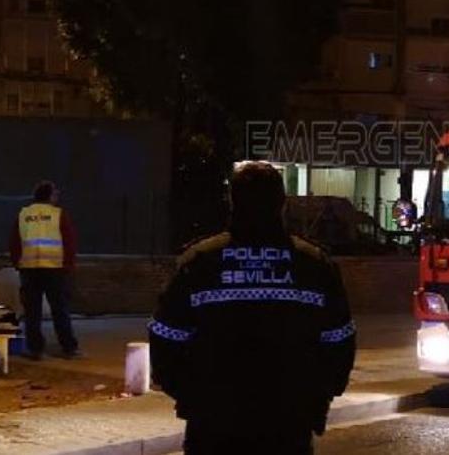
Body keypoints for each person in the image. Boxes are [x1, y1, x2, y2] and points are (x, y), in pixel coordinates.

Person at [150, 161, 356, 455]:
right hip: (288, 425)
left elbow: (164, 337)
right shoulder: (313, 266)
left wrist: (190, 395)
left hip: (213, 425)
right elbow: (340, 341)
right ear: (282, 203)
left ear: (231, 200)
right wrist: (318, 397)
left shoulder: (199, 262)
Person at [9, 180, 80, 359]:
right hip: (54, 269)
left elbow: (14, 241)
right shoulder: (58, 214)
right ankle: (68, 348)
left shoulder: (24, 214)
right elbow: (69, 241)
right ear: (49, 195)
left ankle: (35, 349)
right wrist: (68, 265)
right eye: (55, 193)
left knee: (32, 312)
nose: (57, 196)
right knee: (60, 309)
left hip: (29, 269)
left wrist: (17, 263)